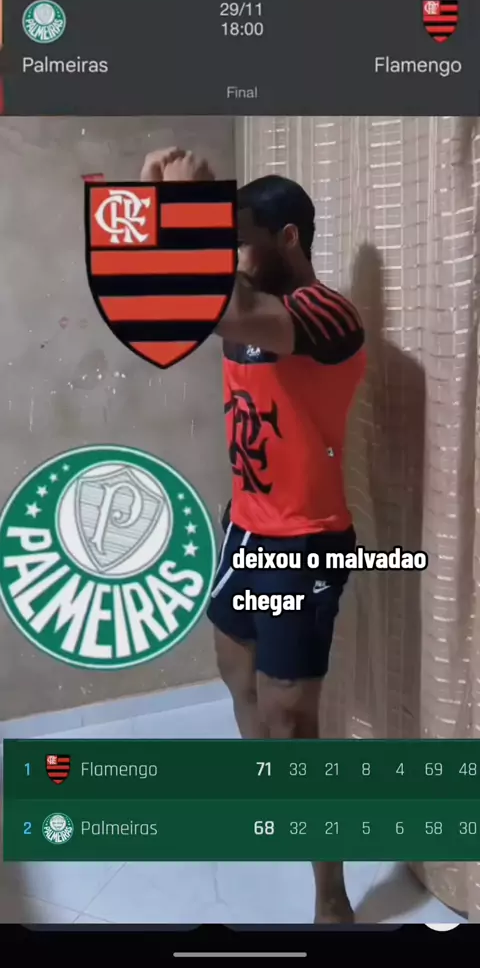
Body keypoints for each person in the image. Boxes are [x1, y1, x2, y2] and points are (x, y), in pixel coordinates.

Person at [141, 148, 366, 923]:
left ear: (289, 238)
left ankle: (332, 899)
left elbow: (221, 304)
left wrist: (189, 209)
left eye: (242, 241)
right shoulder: (247, 301)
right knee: (235, 677)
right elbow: (184, 297)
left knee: (289, 721)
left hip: (304, 544)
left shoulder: (326, 314)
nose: (234, 256)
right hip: (244, 531)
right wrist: (167, 204)